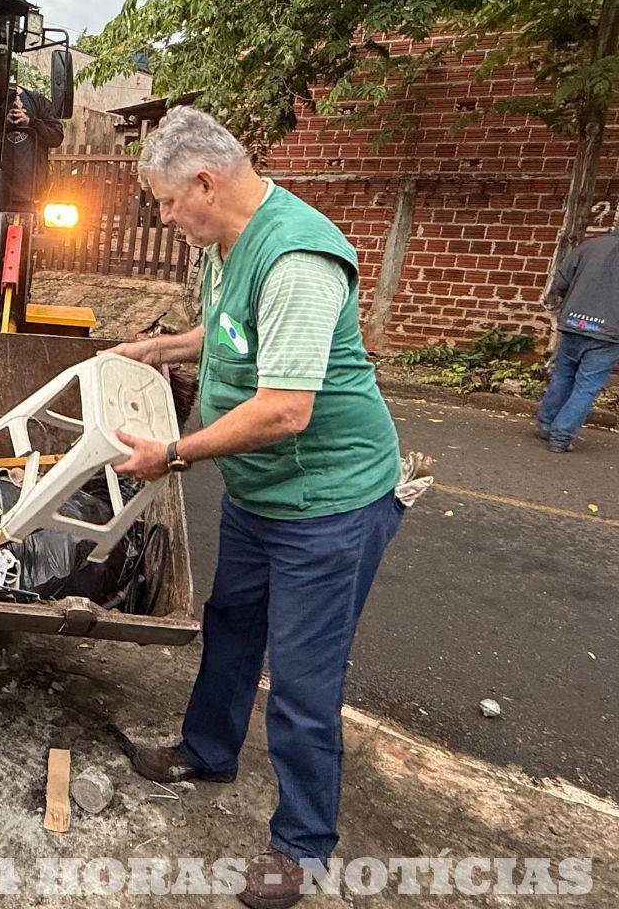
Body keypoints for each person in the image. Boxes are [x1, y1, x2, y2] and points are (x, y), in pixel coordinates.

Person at [106, 107, 404, 909]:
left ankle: (301, 847)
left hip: (327, 503)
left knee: (303, 681)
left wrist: (172, 453)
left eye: (169, 203)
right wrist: (150, 350)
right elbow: (224, 333)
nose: (167, 219)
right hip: (260, 493)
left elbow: (284, 410)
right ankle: (208, 750)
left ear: (206, 183)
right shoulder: (225, 246)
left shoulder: (298, 259)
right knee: (232, 625)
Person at [538, 198, 619, 452]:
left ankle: (546, 424)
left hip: (574, 323)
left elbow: (560, 283)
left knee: (564, 375)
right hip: (610, 331)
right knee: (587, 385)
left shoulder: (589, 247)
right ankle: (561, 436)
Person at [0, 49, 64, 212]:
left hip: (30, 195)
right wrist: (0, 120)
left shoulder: (37, 102)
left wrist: (30, 122)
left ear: (11, 72)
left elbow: (56, 137)